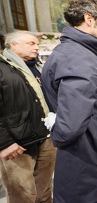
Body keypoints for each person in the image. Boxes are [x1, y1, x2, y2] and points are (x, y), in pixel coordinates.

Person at [41, 0, 97, 202]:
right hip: (89, 161)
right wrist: (57, 127)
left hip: (90, 154)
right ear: (89, 19)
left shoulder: (77, 53)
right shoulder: (78, 58)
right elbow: (69, 128)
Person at [0, 31, 56, 202]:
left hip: (44, 135)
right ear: (13, 45)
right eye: (30, 43)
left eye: (37, 43)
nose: (36, 47)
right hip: (18, 142)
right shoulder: (4, 67)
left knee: (44, 191)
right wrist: (5, 142)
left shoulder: (36, 66)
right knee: (22, 194)